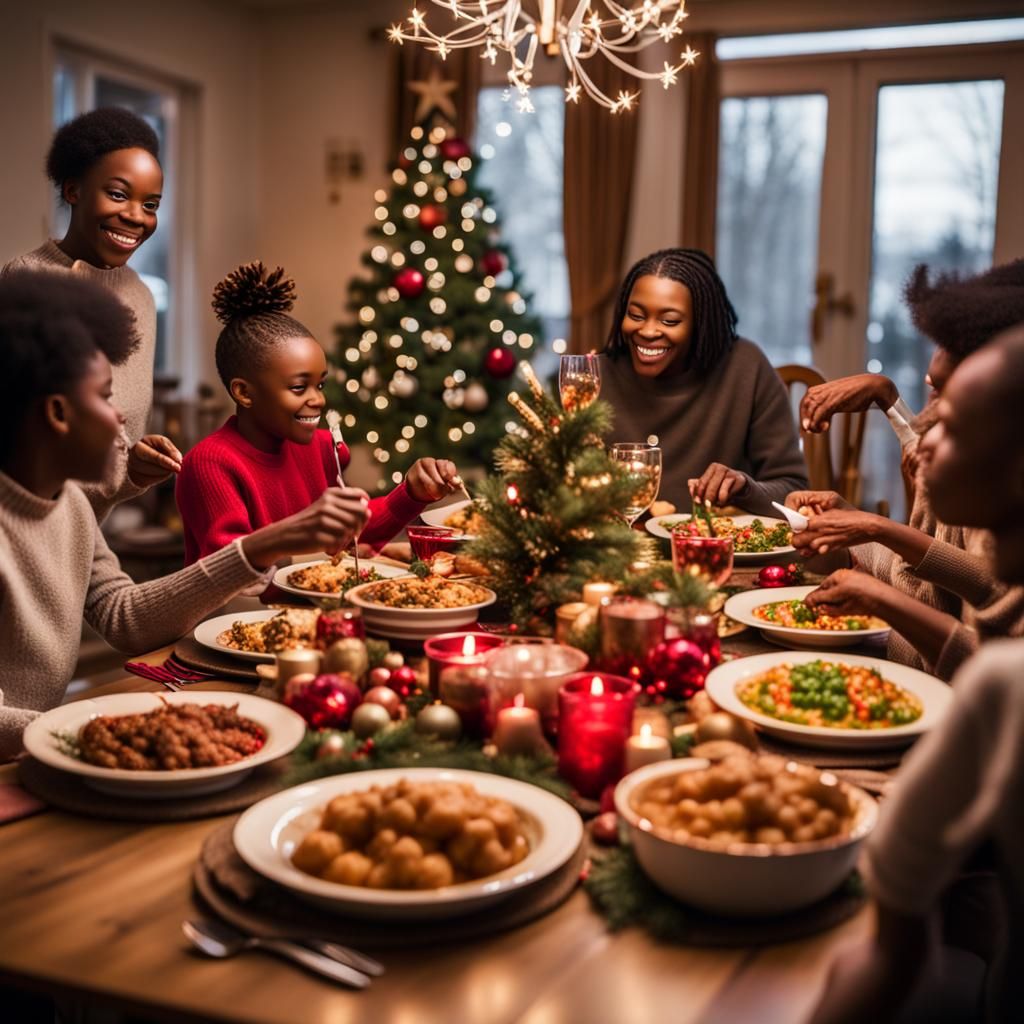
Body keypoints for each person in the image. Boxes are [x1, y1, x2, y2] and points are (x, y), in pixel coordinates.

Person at [0, 271, 370, 761]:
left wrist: (256, 549)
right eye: (106, 397)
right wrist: (105, 726)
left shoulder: (68, 503)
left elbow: (122, 617)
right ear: (58, 413)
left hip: (41, 749)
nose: (122, 418)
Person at [809, 323, 1024, 1024]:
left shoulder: (1004, 685)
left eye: (948, 419)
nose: (917, 436)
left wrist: (875, 542)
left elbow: (888, 953)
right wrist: (861, 534)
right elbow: (941, 582)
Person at [790, 260, 1024, 680]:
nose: (924, 431)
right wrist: (857, 523)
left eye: (948, 408)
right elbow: (921, 577)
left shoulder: (992, 500)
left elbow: (981, 657)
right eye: (932, 391)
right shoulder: (981, 485)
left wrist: (877, 535)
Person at [176, 262, 460, 566]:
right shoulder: (210, 464)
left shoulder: (318, 447)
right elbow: (229, 572)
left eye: (320, 384)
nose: (319, 399)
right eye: (299, 388)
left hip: (323, 612)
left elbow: (351, 535)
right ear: (244, 393)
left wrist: (411, 494)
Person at [1, 107, 182, 519]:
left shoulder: (140, 297)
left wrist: (133, 468)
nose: (136, 216)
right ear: (73, 190)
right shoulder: (26, 281)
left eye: (150, 204)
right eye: (118, 194)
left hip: (92, 535)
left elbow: (118, 448)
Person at [597, 248, 807, 516]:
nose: (648, 331)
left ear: (701, 323)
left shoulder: (745, 367)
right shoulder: (594, 378)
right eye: (636, 315)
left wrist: (745, 488)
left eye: (669, 320)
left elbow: (793, 490)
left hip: (714, 550)